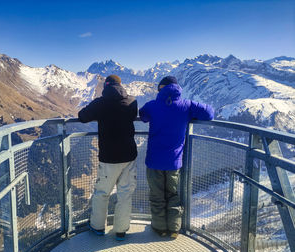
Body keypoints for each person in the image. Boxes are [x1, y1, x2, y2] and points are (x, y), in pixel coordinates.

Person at [139, 76, 214, 238]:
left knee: (157, 195)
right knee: (172, 195)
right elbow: (209, 113)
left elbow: (142, 115)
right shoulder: (187, 105)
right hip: (174, 161)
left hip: (154, 160)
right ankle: (174, 229)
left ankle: (160, 228)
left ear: (160, 89)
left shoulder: (152, 105)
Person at [78, 74, 137, 241]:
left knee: (102, 193)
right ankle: (121, 230)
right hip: (129, 155)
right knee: (125, 194)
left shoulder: (100, 103)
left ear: (106, 87)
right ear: (121, 85)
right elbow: (132, 116)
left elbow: (82, 116)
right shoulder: (132, 101)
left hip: (109, 157)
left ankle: (98, 227)